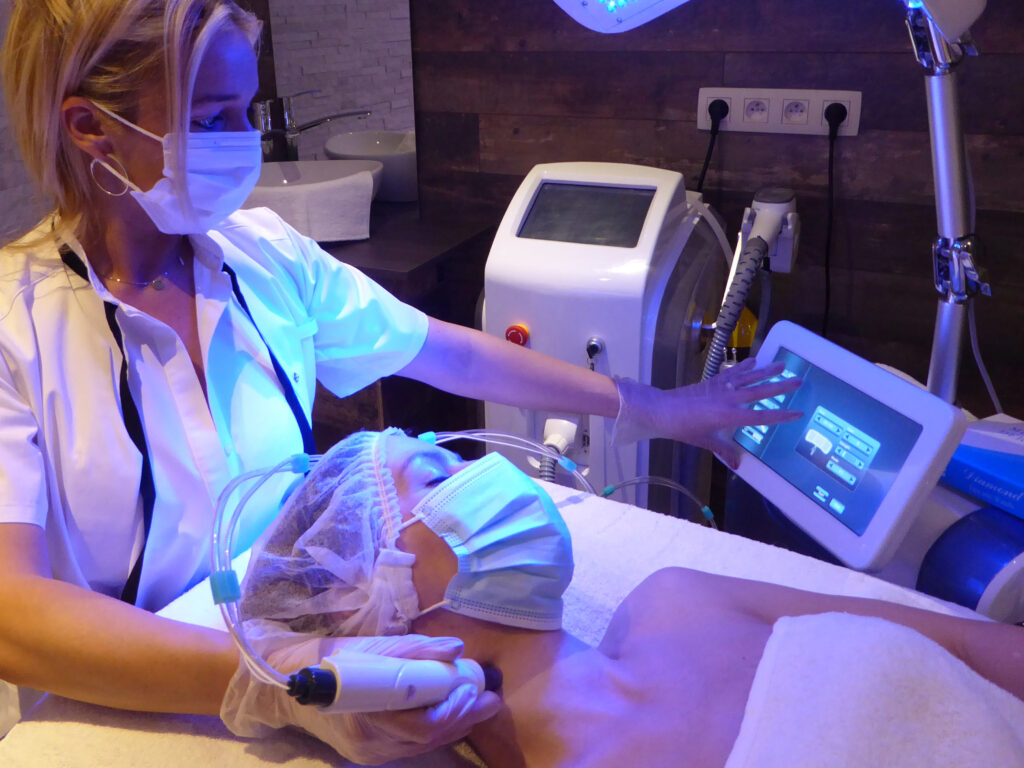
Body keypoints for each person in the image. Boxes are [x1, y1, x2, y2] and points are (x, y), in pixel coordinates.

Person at [0, 0, 800, 763]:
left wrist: (652, 406)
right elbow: (13, 616)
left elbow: (447, 353)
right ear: (91, 128)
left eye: (246, 115)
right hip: (126, 700)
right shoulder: (15, 328)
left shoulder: (260, 254)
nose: (241, 145)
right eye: (210, 122)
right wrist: (274, 687)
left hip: (318, 659)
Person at [239, 429, 1024, 768]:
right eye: (439, 476)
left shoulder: (679, 598)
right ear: (373, 598)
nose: (487, 472)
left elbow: (971, 644)